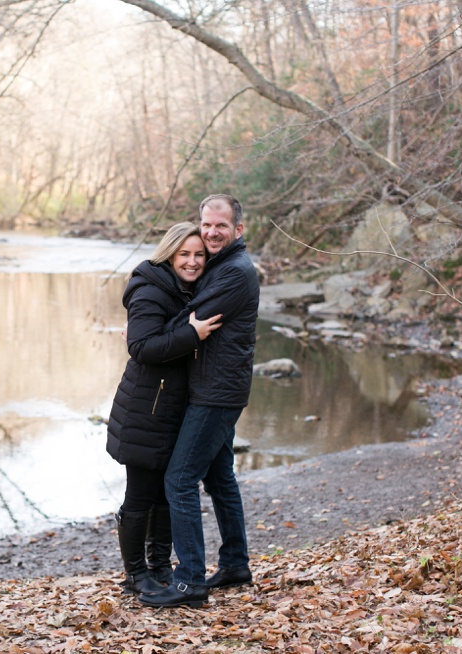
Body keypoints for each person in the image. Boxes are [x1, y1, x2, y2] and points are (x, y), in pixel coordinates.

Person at [139, 194, 260, 609]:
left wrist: (148, 336)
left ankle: (190, 582)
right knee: (220, 478)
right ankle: (236, 563)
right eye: (206, 224)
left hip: (215, 393)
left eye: (220, 226)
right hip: (218, 388)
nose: (211, 232)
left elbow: (193, 316)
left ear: (238, 230)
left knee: (179, 479)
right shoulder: (222, 264)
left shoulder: (236, 272)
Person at [106, 222, 222, 596]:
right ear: (169, 254)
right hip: (146, 407)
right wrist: (192, 335)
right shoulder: (150, 290)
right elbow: (140, 347)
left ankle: (158, 566)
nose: (191, 261)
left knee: (166, 494)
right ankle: (135, 574)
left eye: (198, 255)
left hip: (173, 406)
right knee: (140, 495)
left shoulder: (188, 289)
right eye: (184, 254)